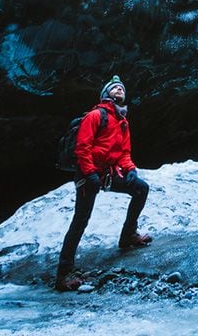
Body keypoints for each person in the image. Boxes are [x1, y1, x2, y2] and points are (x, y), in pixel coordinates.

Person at [54, 76, 152, 291]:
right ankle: (63, 274)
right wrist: (90, 175)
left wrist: (131, 171)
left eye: (122, 88)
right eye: (114, 87)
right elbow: (83, 148)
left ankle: (128, 235)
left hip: (106, 173)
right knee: (81, 219)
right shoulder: (95, 115)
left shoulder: (122, 122)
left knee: (140, 188)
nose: (119, 89)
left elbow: (124, 153)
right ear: (106, 94)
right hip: (87, 174)